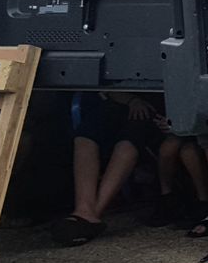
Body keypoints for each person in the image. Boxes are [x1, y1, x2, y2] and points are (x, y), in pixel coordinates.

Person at [52, 92, 160, 245]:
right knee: (85, 136)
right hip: (119, 101)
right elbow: (108, 86)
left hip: (155, 107)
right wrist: (131, 100)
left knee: (129, 140)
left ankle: (92, 215)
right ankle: (83, 208)